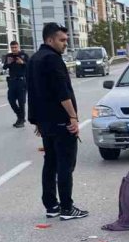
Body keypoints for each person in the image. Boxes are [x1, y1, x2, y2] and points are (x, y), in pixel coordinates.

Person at [27, 22, 88, 221]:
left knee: (50, 163)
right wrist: (73, 117)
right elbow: (62, 92)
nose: (65, 44)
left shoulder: (34, 59)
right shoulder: (53, 60)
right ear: (50, 39)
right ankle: (67, 208)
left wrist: (36, 121)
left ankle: (51, 205)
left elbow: (33, 93)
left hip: (46, 123)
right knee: (65, 165)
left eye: (66, 41)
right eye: (62, 40)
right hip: (62, 122)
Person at [3, 40, 28, 128]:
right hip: (12, 81)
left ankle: (21, 120)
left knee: (21, 102)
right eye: (12, 47)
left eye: (15, 47)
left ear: (18, 47)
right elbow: (4, 67)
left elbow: (30, 66)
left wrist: (23, 63)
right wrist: (8, 63)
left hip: (21, 81)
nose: (14, 49)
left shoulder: (24, 55)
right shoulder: (8, 56)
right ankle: (20, 116)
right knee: (11, 100)